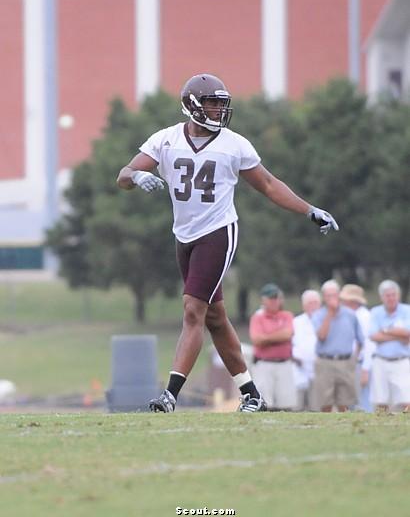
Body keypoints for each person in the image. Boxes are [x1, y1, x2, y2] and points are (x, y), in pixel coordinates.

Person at [116, 73, 338, 413]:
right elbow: (124, 175)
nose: (219, 112)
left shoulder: (233, 144)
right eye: (212, 105)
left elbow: (267, 184)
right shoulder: (166, 139)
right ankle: (252, 394)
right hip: (184, 235)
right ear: (192, 105)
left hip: (218, 232)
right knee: (215, 318)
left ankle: (170, 395)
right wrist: (138, 175)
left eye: (222, 105)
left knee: (193, 310)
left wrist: (309, 211)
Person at [311, 279, 364, 412]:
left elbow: (360, 340)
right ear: (324, 298)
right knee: (325, 402)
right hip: (325, 362)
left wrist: (354, 359)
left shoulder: (350, 315)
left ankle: (344, 427)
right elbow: (322, 336)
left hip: (346, 362)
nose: (331, 299)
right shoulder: (318, 315)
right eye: (328, 296)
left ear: (339, 295)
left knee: (345, 403)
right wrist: (330, 314)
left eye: (334, 295)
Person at [249, 283, 297, 411]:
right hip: (264, 364)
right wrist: (278, 336)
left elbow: (287, 334)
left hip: (284, 363)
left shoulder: (286, 315)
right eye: (271, 298)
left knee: (286, 403)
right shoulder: (257, 317)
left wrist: (267, 337)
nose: (275, 301)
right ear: (263, 300)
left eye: (277, 298)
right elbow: (257, 340)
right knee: (265, 402)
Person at [369, 280, 410, 412]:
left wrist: (385, 330)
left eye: (393, 294)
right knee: (380, 400)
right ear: (382, 297)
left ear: (398, 295)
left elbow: (408, 333)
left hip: (401, 360)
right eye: (387, 295)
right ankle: (380, 427)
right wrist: (399, 335)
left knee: (405, 398)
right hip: (381, 360)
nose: (391, 298)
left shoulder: (407, 310)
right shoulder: (376, 312)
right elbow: (374, 336)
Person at [340, 283, 375, 412]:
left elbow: (369, 345)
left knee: (363, 399)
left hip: (360, 363)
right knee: (348, 400)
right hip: (347, 363)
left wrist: (365, 370)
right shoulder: (347, 314)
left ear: (353, 301)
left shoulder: (365, 316)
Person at [292, 289, 321, 411]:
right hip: (298, 369)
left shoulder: (325, 321)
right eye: (310, 303)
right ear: (304, 305)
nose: (313, 306)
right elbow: (290, 344)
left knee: (317, 407)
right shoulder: (296, 322)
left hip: (319, 369)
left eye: (316, 302)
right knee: (297, 406)